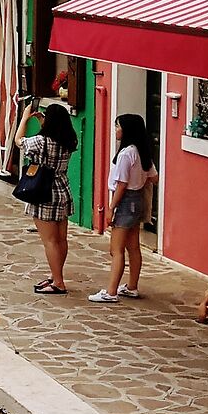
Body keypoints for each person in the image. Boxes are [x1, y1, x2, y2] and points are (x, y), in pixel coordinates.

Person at [90, 112, 158, 303]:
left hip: (125, 202)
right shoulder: (142, 153)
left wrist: (111, 208)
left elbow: (121, 184)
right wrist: (140, 180)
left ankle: (111, 292)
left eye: (118, 126)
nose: (116, 130)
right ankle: (132, 286)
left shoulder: (126, 154)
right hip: (137, 201)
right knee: (133, 247)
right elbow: (154, 178)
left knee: (116, 249)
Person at [18, 97, 78, 294]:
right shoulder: (68, 140)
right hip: (62, 189)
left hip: (44, 191)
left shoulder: (40, 141)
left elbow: (19, 141)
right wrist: (44, 123)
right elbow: (53, 137)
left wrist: (25, 119)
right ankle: (55, 274)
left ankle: (58, 282)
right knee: (61, 239)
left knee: (49, 241)